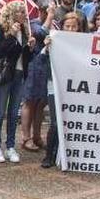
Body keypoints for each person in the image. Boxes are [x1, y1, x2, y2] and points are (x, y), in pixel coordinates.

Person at [0, 1, 33, 163]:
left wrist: (30, 47)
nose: (24, 15)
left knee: (14, 113)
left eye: (24, 12)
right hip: (5, 74)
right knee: (0, 111)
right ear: (12, 13)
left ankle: (10, 146)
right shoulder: (2, 28)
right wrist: (11, 37)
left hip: (19, 74)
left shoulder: (25, 29)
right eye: (21, 12)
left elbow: (25, 56)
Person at [41, 11, 83, 168]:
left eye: (74, 27)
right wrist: (46, 47)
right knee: (55, 121)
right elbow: (41, 61)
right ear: (62, 27)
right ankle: (49, 155)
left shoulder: (83, 42)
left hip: (75, 87)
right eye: (67, 26)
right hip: (55, 85)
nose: (71, 30)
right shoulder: (54, 40)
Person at [20, 0, 52, 152]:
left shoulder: (52, 24)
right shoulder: (33, 23)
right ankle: (26, 137)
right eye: (48, 11)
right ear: (41, 11)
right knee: (30, 101)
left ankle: (37, 136)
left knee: (41, 103)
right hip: (34, 67)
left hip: (46, 68)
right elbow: (40, 33)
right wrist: (51, 17)